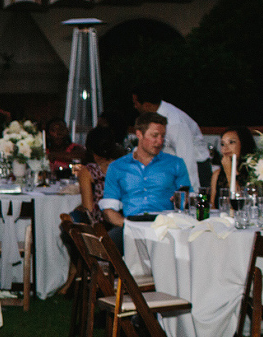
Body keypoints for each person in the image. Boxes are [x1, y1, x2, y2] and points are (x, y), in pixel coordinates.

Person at [100, 112, 192, 244]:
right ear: (139, 134)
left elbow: (187, 196)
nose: (160, 141)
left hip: (166, 227)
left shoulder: (176, 164)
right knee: (105, 246)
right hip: (130, 226)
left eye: (163, 136)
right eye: (154, 136)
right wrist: (128, 225)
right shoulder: (117, 167)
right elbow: (108, 210)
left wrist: (185, 199)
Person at [132, 88, 209, 190]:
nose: (135, 106)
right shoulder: (155, 117)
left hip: (196, 169)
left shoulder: (175, 122)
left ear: (146, 105)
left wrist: (190, 194)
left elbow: (187, 160)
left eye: (136, 103)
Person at [71, 127, 126, 224]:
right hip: (126, 219)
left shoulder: (88, 171)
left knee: (74, 215)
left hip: (103, 225)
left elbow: (88, 209)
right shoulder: (123, 166)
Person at [208, 126, 257, 204]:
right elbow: (212, 206)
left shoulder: (255, 173)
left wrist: (229, 172)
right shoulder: (217, 174)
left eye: (231, 142)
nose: (225, 148)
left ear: (243, 143)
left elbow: (242, 204)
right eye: (222, 144)